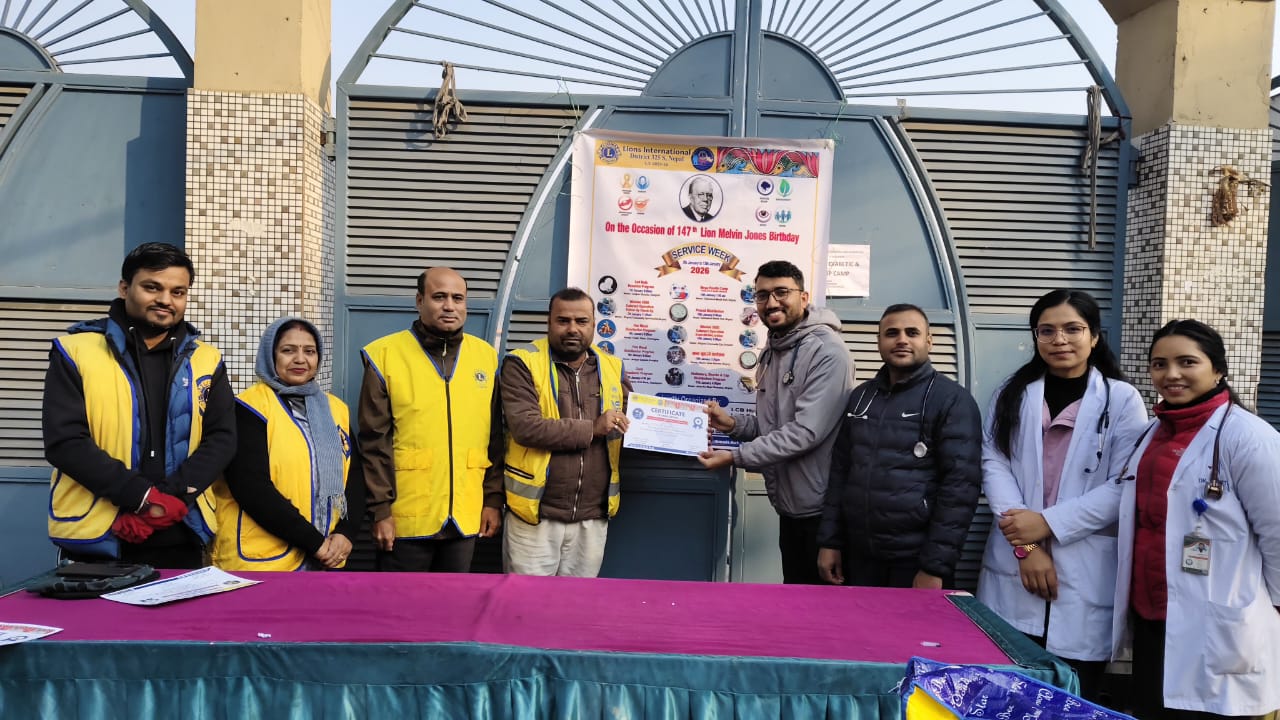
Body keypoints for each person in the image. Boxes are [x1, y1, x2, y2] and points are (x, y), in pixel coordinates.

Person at [977, 289, 1148, 703]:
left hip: (1084, 569)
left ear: (1094, 337)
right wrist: (1029, 546)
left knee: (1073, 695)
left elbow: (1125, 483)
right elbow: (994, 463)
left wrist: (1048, 524)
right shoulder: (1012, 393)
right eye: (1047, 331)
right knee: (1006, 693)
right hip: (1017, 562)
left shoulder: (1121, 399)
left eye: (1073, 329)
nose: (1060, 340)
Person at [1113, 320, 1280, 719]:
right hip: (1154, 615)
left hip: (1219, 620)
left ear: (1218, 369)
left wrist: (1275, 609)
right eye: (1159, 364)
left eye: (1187, 362)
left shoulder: (1249, 437)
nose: (1171, 374)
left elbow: (1276, 531)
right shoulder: (1153, 432)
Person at [43, 242, 235, 568]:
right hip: (101, 535)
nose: (166, 300)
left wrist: (170, 499)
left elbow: (223, 438)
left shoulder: (207, 359)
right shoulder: (75, 351)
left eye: (178, 292)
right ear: (124, 288)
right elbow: (65, 442)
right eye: (152, 287)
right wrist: (142, 498)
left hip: (180, 531)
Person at [699, 260, 854, 584]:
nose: (771, 303)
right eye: (762, 295)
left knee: (823, 607)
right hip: (790, 507)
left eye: (781, 292)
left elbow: (805, 432)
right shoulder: (773, 350)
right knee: (796, 599)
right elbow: (775, 425)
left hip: (823, 512)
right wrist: (732, 424)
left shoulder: (828, 352)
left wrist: (735, 457)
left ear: (804, 297)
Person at [817, 304, 982, 589]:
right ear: (879, 341)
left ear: (929, 341)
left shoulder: (952, 400)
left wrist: (934, 567)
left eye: (912, 333)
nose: (902, 340)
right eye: (892, 333)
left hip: (915, 562)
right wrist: (830, 542)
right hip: (860, 558)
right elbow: (840, 473)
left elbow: (960, 489)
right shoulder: (861, 398)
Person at [359, 267, 503, 572]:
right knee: (401, 601)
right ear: (419, 301)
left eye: (457, 298)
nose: (449, 306)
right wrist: (380, 511)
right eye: (439, 297)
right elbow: (373, 442)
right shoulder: (384, 355)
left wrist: (492, 500)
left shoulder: (485, 357)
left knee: (453, 601)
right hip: (406, 518)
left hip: (465, 515)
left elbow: (494, 438)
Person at [213, 318, 366, 571]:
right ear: (270, 355)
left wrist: (346, 533)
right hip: (264, 560)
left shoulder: (335, 409)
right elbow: (251, 487)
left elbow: (355, 476)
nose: (300, 359)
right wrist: (314, 543)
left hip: (326, 556)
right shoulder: (248, 407)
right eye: (288, 350)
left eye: (309, 351)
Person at [500, 287, 632, 577]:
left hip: (592, 518)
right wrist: (593, 428)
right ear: (549, 322)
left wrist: (686, 432)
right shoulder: (521, 363)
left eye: (581, 321)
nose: (573, 329)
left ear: (594, 325)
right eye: (563, 320)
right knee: (526, 601)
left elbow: (632, 425)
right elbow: (526, 427)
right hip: (536, 517)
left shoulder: (613, 368)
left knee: (576, 602)